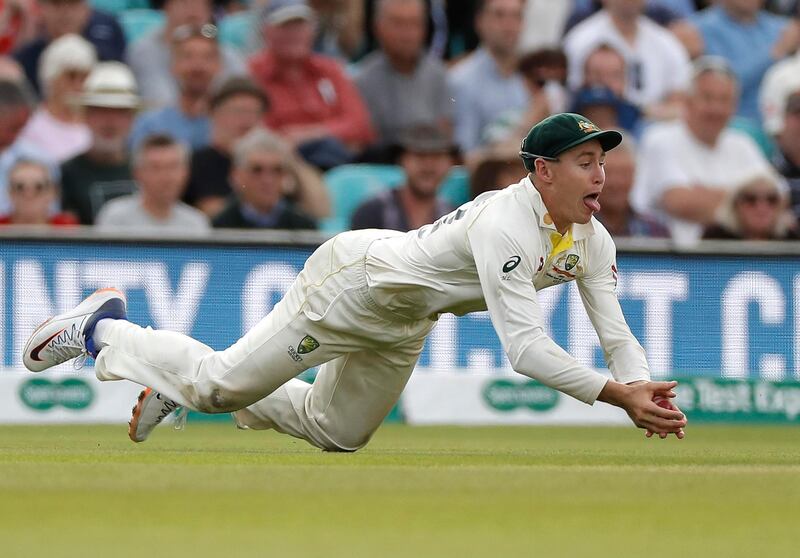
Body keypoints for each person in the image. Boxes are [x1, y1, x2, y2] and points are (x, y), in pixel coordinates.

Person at [23, 112, 687, 448]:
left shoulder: (591, 240)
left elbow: (618, 334)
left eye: (601, 161)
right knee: (218, 384)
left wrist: (643, 389)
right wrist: (616, 397)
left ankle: (187, 383)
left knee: (338, 433)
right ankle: (98, 327)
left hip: (405, 318)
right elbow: (526, 350)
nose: (600, 175)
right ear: (542, 171)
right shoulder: (506, 225)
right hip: (355, 284)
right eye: (584, 161)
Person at [632, 57, 773, 246]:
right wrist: (744, 201)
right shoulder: (660, 139)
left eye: (724, 100)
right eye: (707, 98)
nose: (716, 108)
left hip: (737, 258)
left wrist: (704, 194)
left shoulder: (743, 144)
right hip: (671, 262)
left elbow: (776, 203)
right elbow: (680, 202)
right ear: (688, 102)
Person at [248, 0, 374, 169]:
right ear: (266, 32)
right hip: (284, 162)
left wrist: (310, 133)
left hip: (335, 156)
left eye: (300, 26)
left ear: (312, 31)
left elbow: (360, 124)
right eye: (285, 27)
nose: (294, 34)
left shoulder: (330, 70)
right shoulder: (253, 74)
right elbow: (259, 131)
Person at [563, 0, 691, 120]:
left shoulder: (667, 42)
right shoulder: (579, 40)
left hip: (652, 126)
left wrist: (646, 113)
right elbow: (572, 96)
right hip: (598, 125)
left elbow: (680, 100)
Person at [355, 0, 453, 155]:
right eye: (398, 23)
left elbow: (446, 131)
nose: (407, 34)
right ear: (378, 27)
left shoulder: (438, 74)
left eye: (415, 23)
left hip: (432, 160)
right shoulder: (364, 80)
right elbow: (366, 140)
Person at [449, 0, 543, 157]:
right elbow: (466, 155)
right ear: (479, 22)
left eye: (516, 16)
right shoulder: (461, 81)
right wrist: (525, 126)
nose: (509, 25)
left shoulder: (534, 76)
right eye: (499, 15)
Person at [686, 0, 799, 126]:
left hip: (785, 124)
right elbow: (723, 83)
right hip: (734, 123)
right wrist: (776, 53)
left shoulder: (782, 27)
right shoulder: (698, 28)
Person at [125, 0, 245, 109]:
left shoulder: (229, 54)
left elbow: (236, 100)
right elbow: (159, 101)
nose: (194, 10)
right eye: (185, 2)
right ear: (166, 6)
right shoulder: (144, 51)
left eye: (202, 4)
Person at [60, 61, 139, 225]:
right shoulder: (67, 173)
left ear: (131, 119)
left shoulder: (148, 168)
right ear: (85, 116)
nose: (110, 122)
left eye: (119, 112)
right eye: (101, 111)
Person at [183, 76, 270, 217]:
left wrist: (290, 157)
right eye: (239, 111)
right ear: (214, 114)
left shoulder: (273, 163)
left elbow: (317, 207)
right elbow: (215, 214)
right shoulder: (200, 161)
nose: (247, 121)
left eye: (255, 113)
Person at [128, 23, 221, 151]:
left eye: (207, 57)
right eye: (188, 56)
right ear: (173, 65)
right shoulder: (151, 126)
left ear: (218, 66)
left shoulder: (229, 124)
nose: (198, 65)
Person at [94, 133, 210, 232]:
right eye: (156, 167)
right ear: (137, 173)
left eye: (173, 167)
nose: (166, 177)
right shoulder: (115, 218)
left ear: (186, 172)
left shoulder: (196, 224)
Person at [350, 125, 458, 231]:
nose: (428, 166)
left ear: (450, 163)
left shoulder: (455, 217)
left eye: (437, 157)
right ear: (401, 160)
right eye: (420, 156)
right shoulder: (373, 212)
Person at [211, 127, 318, 230]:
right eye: (257, 170)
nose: (268, 180)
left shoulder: (304, 226)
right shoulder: (219, 226)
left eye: (277, 170)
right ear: (237, 175)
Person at [12, 0, 125, 95]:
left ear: (86, 9)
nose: (65, 13)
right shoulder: (26, 60)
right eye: (57, 4)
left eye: (73, 4)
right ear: (41, 9)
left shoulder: (108, 48)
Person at [17, 34, 95, 163]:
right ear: (51, 79)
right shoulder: (31, 127)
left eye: (85, 77)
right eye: (71, 76)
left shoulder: (97, 124)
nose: (79, 85)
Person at [593, 139, 668, 238]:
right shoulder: (577, 227)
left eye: (624, 173)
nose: (616, 183)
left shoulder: (655, 230)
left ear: (634, 176)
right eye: (608, 173)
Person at [703, 171, 799, 240]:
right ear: (735, 205)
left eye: (771, 199)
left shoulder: (791, 241)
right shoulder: (714, 238)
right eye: (751, 199)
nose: (762, 208)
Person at [0, 158, 78, 225]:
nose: (29, 194)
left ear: (53, 192)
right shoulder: (1, 227)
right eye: (20, 187)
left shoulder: (67, 228)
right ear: (9, 193)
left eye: (39, 187)